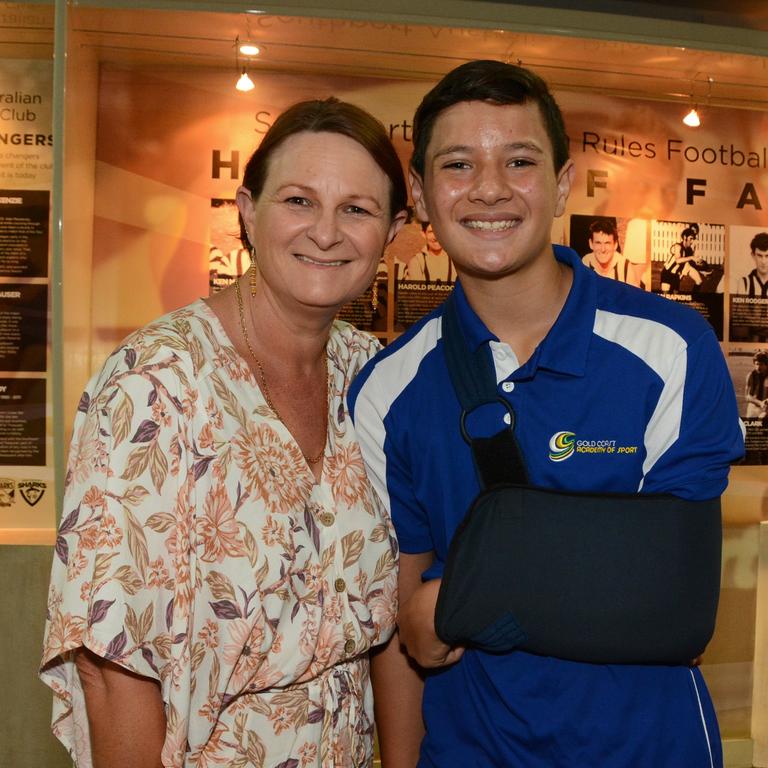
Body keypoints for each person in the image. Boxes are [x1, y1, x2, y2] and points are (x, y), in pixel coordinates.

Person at [348, 60, 744, 768]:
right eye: (459, 163)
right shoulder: (389, 389)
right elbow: (406, 633)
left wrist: (467, 596)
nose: (490, 188)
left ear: (562, 182)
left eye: (520, 160)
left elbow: (677, 611)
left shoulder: (669, 349)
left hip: (649, 750)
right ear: (421, 194)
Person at [40, 97, 408, 768]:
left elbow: (391, 632)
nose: (326, 232)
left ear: (393, 231)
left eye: (357, 209)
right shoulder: (158, 382)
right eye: (298, 201)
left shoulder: (372, 379)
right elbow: (110, 661)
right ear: (247, 209)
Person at [581, 218, 631, 283]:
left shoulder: (625, 267)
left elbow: (635, 293)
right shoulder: (585, 264)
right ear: (591, 244)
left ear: (615, 245)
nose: (603, 249)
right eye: (598, 243)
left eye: (607, 243)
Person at [660, 225, 703, 292]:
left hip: (676, 276)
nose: (692, 242)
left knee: (676, 298)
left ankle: (694, 299)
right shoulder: (677, 246)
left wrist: (702, 269)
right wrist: (691, 257)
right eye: (690, 239)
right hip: (667, 274)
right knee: (666, 297)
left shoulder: (689, 250)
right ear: (685, 237)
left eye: (693, 239)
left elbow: (689, 264)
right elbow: (678, 260)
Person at [738, 231, 768, 296]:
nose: (763, 261)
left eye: (767, 256)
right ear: (753, 255)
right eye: (759, 256)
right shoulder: (744, 283)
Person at [745, 350, 768, 418]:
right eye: (757, 364)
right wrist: (760, 403)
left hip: (766, 408)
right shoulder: (751, 375)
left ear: (766, 365)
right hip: (753, 407)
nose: (758, 367)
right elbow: (747, 396)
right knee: (749, 427)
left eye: (761, 364)